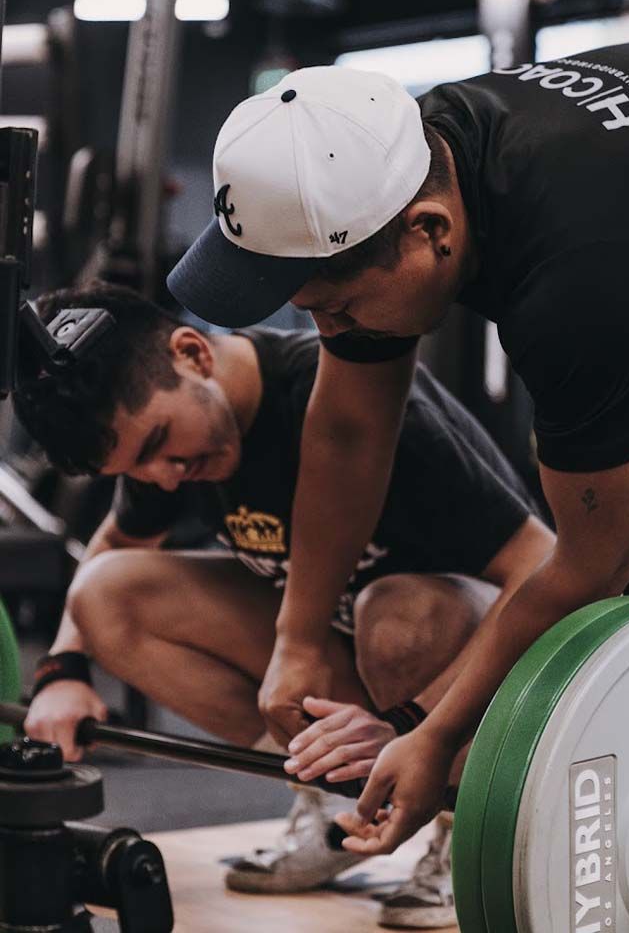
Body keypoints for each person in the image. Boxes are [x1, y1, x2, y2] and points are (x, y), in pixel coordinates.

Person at [166, 40, 629, 854]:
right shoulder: (406, 155)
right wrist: (296, 640)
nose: (328, 333)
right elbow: (348, 427)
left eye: (335, 310)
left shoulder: (581, 280)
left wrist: (427, 734)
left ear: (429, 232)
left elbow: (591, 565)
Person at [13, 282, 554, 927]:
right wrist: (61, 673)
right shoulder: (174, 452)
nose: (162, 476)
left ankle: (457, 826)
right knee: (106, 595)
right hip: (346, 663)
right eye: (136, 467)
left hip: (463, 668)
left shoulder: (359, 403)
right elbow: (111, 548)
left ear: (193, 353)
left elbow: (540, 564)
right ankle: (336, 805)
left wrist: (420, 723)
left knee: (395, 615)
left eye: (159, 444)